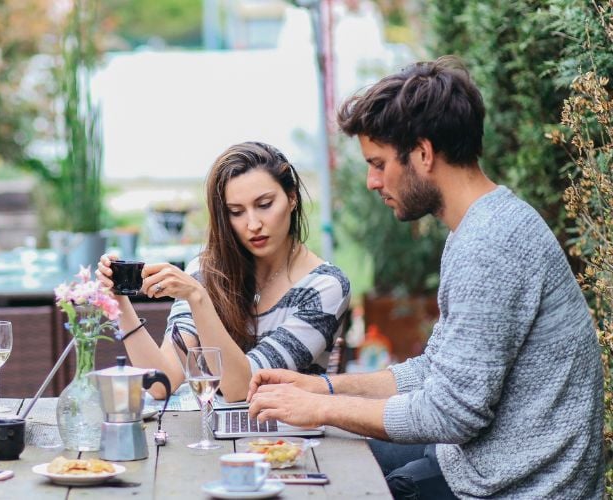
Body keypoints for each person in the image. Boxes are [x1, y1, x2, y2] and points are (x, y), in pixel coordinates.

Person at [247, 57, 604, 499]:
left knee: (314, 478)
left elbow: (452, 414)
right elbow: (435, 371)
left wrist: (319, 406)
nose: (372, 182)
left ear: (423, 153)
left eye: (378, 164)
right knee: (315, 452)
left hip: (519, 487)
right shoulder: (477, 228)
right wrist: (322, 386)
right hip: (481, 463)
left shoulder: (492, 243)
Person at [96, 142, 351, 402]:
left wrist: (199, 299)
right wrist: (119, 301)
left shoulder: (324, 287)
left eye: (264, 204)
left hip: (289, 438)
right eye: (236, 212)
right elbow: (160, 382)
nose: (253, 224)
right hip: (215, 436)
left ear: (292, 197)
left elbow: (242, 389)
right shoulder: (207, 271)